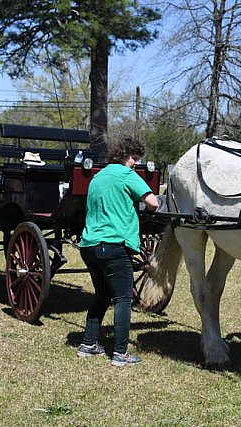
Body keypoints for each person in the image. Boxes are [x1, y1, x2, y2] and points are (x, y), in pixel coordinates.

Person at [76, 137, 159, 366]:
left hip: (89, 246)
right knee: (123, 298)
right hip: (114, 245)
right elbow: (153, 203)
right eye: (134, 158)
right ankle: (120, 353)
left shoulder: (97, 177)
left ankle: (88, 344)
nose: (136, 163)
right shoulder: (127, 175)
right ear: (125, 156)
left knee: (102, 294)